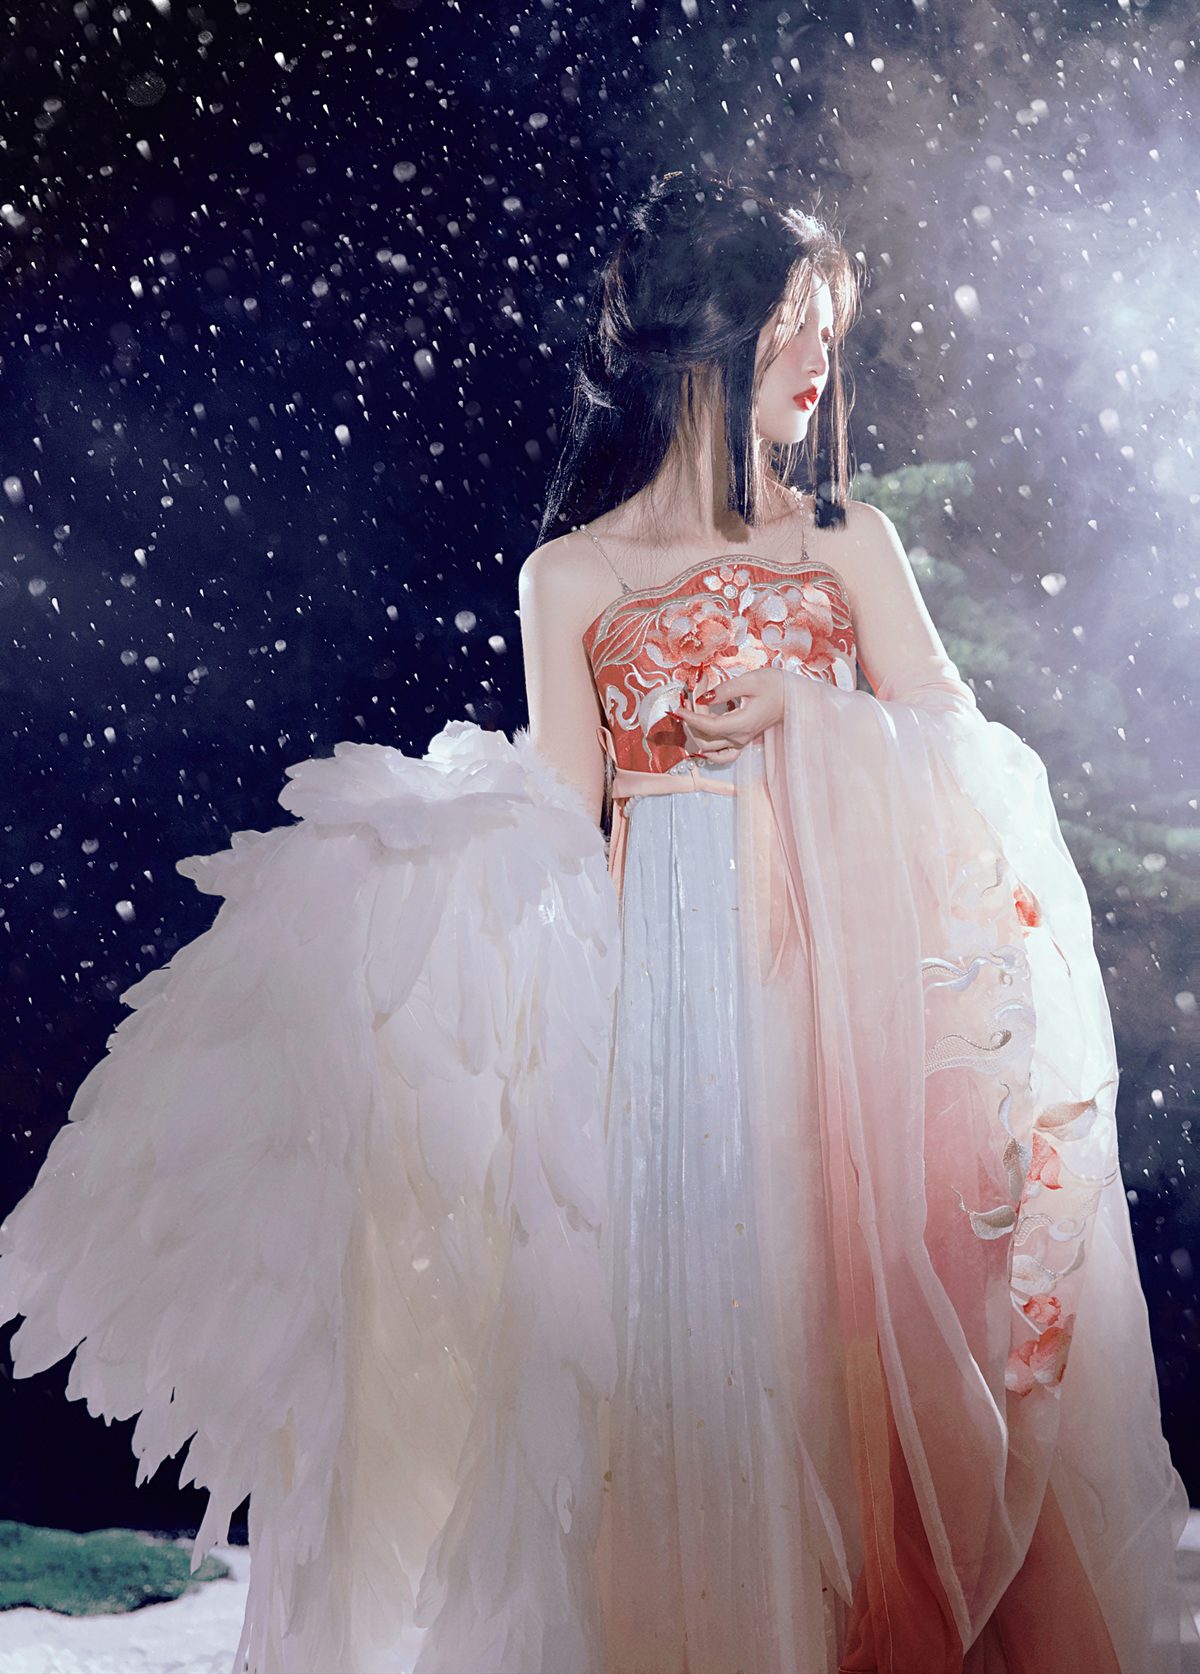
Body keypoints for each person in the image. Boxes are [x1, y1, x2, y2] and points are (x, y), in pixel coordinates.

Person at [0, 172, 1192, 1674]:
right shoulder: (568, 573)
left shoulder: (846, 546)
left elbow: (974, 761)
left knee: (834, 1339)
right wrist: (399, 873)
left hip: (841, 1003)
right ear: (709, 337)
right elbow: (561, 816)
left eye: (829, 332)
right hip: (663, 992)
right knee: (691, 1341)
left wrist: (809, 710)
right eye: (796, 329)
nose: (822, 365)